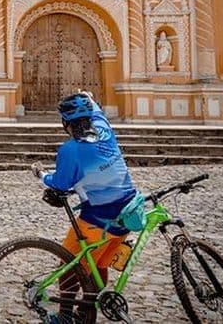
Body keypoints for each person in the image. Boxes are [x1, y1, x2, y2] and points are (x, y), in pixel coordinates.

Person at [31, 92, 141, 285]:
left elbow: (60, 184)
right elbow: (96, 111)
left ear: (65, 122)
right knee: (98, 265)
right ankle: (93, 306)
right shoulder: (104, 128)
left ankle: (66, 314)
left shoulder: (71, 150)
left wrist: (42, 175)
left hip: (97, 220)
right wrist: (87, 97)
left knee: (69, 270)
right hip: (127, 214)